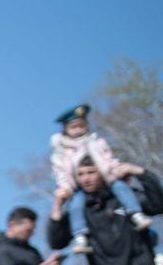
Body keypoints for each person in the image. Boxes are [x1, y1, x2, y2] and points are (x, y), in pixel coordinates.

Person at [49, 156, 163, 265]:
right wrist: (58, 204)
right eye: (81, 174)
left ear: (102, 172)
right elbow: (56, 241)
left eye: (91, 172)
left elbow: (158, 204)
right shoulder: (77, 211)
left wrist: (141, 173)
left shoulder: (124, 197)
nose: (86, 178)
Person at [46, 104, 147, 253]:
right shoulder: (63, 151)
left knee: (122, 189)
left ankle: (136, 214)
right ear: (66, 130)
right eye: (73, 127)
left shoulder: (96, 143)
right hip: (78, 189)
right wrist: (65, 187)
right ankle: (80, 235)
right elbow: (61, 171)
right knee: (76, 206)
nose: (78, 130)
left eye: (81, 126)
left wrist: (117, 169)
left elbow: (108, 158)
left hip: (108, 180)